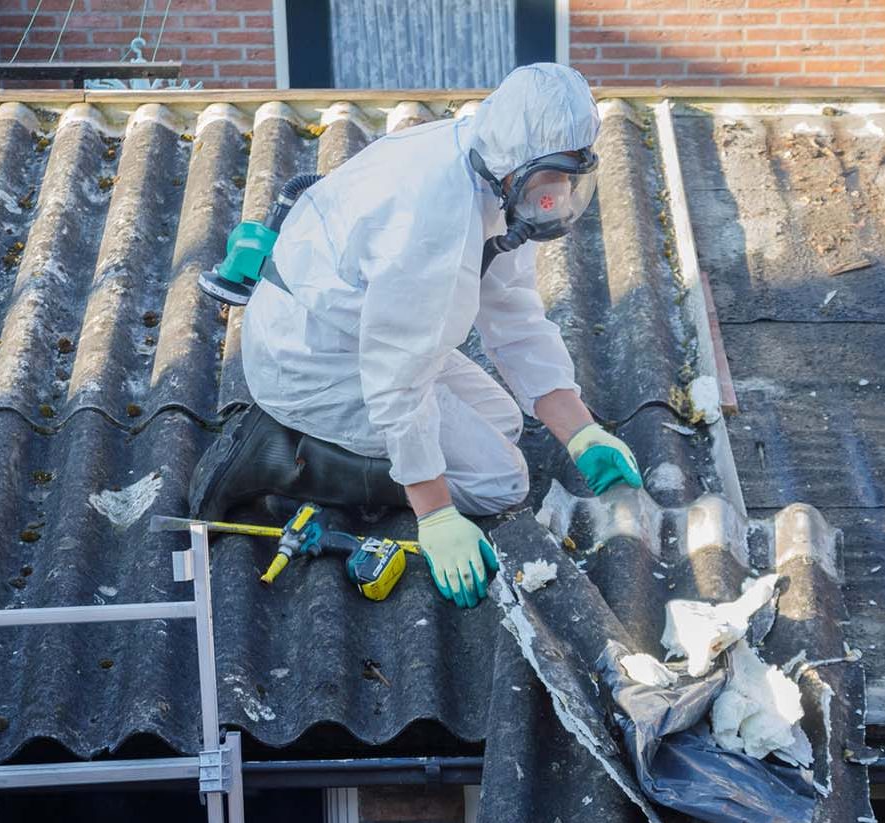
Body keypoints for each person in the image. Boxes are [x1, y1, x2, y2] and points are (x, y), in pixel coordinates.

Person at [192, 63, 644, 609]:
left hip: (352, 326)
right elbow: (396, 381)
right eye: (553, 179)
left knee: (504, 422)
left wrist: (581, 432)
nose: (561, 197)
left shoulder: (492, 173)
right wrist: (435, 514)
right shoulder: (434, 220)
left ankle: (355, 453)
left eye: (572, 178)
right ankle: (281, 452)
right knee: (501, 482)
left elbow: (515, 317)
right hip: (313, 357)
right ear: (517, 165)